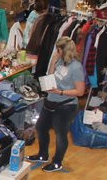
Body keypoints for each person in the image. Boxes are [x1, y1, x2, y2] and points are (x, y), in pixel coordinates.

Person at [28, 36, 86, 172]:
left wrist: (60, 92)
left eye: (57, 50)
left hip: (66, 105)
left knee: (60, 134)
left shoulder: (76, 67)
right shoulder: (60, 61)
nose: (56, 51)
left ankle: (57, 162)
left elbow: (80, 91)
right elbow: (50, 76)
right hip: (51, 100)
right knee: (41, 127)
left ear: (62, 50)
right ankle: (42, 154)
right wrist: (53, 62)